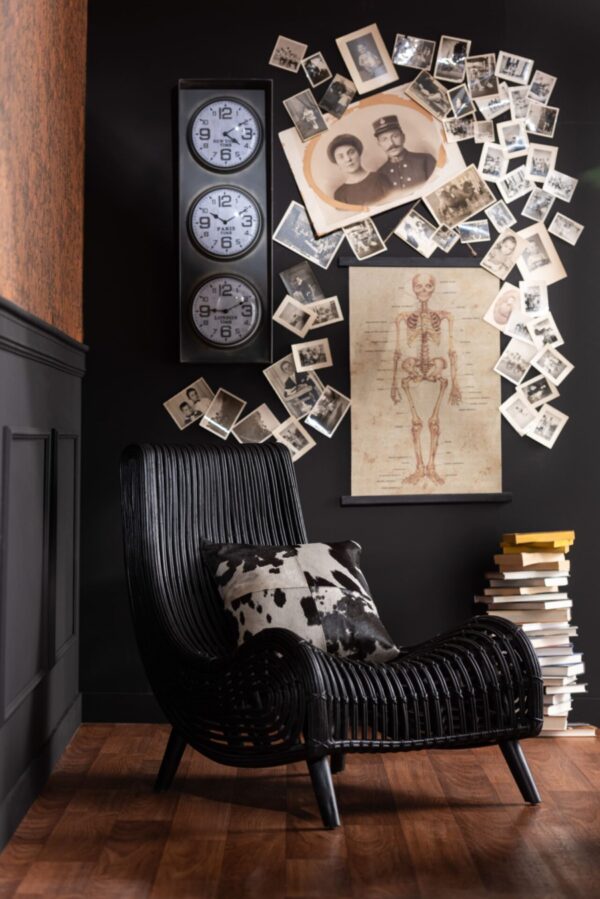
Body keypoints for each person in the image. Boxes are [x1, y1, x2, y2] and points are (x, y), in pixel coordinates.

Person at [373, 116, 435, 192]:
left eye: (395, 136)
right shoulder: (380, 174)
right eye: (384, 139)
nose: (391, 143)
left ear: (403, 137)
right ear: (379, 144)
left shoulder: (425, 160)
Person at [327, 134, 387, 205]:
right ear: (337, 163)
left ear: (359, 154)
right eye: (341, 157)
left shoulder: (380, 178)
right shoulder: (339, 194)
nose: (348, 159)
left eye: (351, 152)